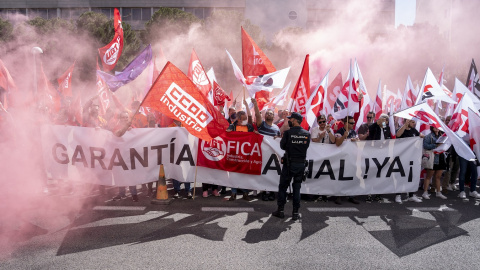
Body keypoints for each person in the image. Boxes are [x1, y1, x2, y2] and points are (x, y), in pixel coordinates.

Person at [272, 112, 310, 221]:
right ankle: (295, 213)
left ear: (294, 120)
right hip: (300, 164)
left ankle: (281, 211)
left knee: (283, 187)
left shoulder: (288, 133)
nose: (289, 120)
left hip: (289, 164)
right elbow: (306, 147)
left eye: (290, 119)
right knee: (297, 188)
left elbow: (282, 146)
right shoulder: (307, 133)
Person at [226, 105, 258, 201]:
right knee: (234, 175)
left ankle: (245, 193)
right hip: (234, 155)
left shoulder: (249, 127)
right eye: (243, 119)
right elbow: (227, 137)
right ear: (238, 119)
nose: (245, 120)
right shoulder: (232, 126)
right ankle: (233, 193)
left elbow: (254, 136)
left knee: (244, 174)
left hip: (245, 155)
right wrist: (227, 133)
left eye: (245, 119)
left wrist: (256, 134)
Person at [252, 98, 280, 201]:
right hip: (262, 153)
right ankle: (263, 191)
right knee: (263, 172)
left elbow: (278, 141)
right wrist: (255, 104)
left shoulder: (276, 128)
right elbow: (258, 116)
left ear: (273, 116)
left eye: (270, 114)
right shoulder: (262, 124)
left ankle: (271, 192)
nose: (268, 115)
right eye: (267, 113)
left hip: (272, 154)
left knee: (271, 173)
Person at [111, 111, 139, 202]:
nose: (125, 119)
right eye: (123, 117)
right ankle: (121, 193)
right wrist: (126, 127)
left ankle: (134, 194)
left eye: (126, 117)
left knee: (131, 175)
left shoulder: (133, 127)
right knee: (120, 175)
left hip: (130, 155)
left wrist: (132, 130)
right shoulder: (117, 127)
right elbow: (118, 134)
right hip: (119, 156)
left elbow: (140, 137)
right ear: (120, 118)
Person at [333, 116, 360, 205]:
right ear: (346, 123)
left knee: (351, 176)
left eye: (353, 122)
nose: (353, 124)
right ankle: (338, 196)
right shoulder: (339, 132)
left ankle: (351, 195)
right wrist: (344, 136)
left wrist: (356, 140)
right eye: (351, 123)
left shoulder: (353, 132)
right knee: (340, 177)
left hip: (351, 158)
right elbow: (337, 143)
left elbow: (358, 142)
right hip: (341, 158)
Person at [395, 119, 423, 203]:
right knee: (401, 175)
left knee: (411, 176)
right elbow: (398, 135)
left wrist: (421, 136)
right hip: (402, 157)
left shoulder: (414, 130)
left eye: (414, 122)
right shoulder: (401, 129)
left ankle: (411, 195)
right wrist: (404, 125)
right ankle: (398, 195)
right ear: (406, 121)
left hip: (412, 157)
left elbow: (420, 135)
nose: (413, 124)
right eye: (412, 122)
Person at [169, 119, 193, 199]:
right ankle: (177, 190)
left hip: (186, 152)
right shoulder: (170, 127)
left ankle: (188, 190)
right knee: (176, 171)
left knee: (187, 171)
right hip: (175, 153)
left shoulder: (186, 125)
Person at [422, 126, 448, 200]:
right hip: (433, 158)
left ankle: (438, 192)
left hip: (441, 157)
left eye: (438, 127)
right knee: (429, 176)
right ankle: (425, 192)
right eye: (435, 127)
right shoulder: (428, 136)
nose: (437, 128)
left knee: (438, 176)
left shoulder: (442, 136)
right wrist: (436, 145)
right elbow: (425, 146)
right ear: (432, 128)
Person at [458, 133, 480, 199]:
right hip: (463, 151)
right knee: (463, 171)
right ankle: (462, 191)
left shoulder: (474, 126)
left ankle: (472, 190)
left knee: (474, 171)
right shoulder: (462, 125)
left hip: (472, 151)